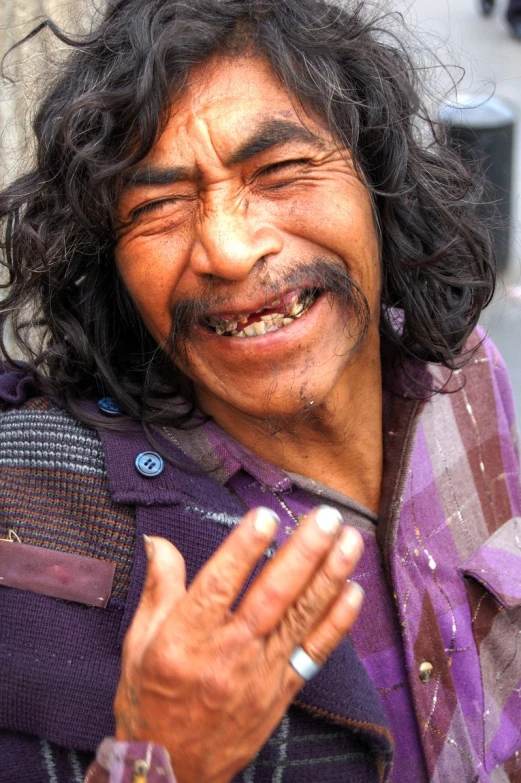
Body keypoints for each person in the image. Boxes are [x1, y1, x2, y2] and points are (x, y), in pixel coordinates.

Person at [0, 0, 520, 781]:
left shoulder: (465, 372)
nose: (229, 249)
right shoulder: (38, 514)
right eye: (158, 206)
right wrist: (162, 762)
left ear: (374, 180)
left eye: (278, 172)